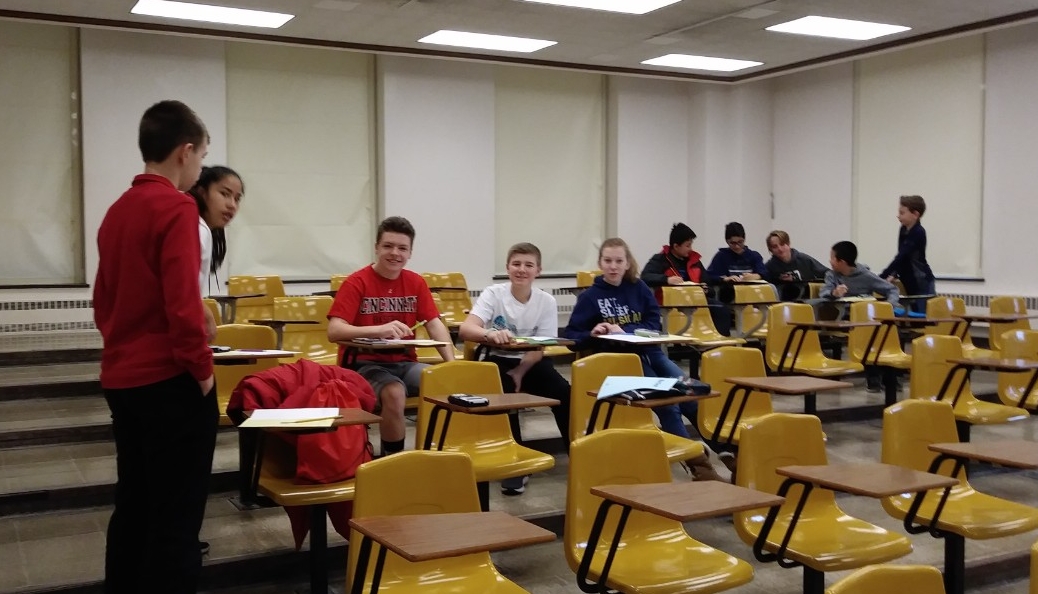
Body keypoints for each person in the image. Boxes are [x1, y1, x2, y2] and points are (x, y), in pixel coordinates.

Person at [93, 100, 216, 594]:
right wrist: (202, 372)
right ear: (185, 152)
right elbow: (183, 304)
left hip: (123, 378)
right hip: (170, 380)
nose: (201, 166)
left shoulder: (116, 210)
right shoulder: (176, 206)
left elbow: (102, 302)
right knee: (177, 519)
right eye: (203, 156)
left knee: (135, 507)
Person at [563, 237, 724, 481]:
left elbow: (653, 324)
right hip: (621, 361)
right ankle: (699, 467)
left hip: (650, 352)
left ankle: (725, 451)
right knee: (668, 404)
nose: (613, 266)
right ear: (600, 263)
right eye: (608, 261)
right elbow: (573, 337)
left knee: (690, 395)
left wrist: (625, 331)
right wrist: (593, 333)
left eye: (619, 261)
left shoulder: (638, 288)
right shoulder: (590, 297)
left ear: (628, 263)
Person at [327, 216, 455, 456]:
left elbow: (435, 324)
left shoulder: (416, 283)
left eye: (402, 248)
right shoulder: (356, 282)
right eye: (388, 246)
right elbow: (334, 331)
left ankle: (434, 454)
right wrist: (378, 329)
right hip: (363, 364)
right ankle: (393, 460)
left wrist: (453, 365)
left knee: (444, 382)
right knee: (394, 392)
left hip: (405, 363)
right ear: (376, 248)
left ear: (410, 253)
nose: (395, 253)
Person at [459, 242, 571, 496]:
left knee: (563, 390)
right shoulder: (493, 293)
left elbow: (541, 347)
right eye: (516, 264)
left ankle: (577, 451)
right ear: (508, 268)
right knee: (505, 392)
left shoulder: (546, 301)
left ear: (538, 271)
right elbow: (467, 329)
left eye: (528, 265)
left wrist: (520, 372)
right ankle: (515, 464)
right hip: (496, 358)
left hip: (529, 361)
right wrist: (489, 333)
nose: (522, 270)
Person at [822, 241, 900, 392]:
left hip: (868, 320)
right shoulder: (831, 275)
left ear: (841, 262)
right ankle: (873, 379)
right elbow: (823, 293)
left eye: (832, 258)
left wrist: (888, 306)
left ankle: (890, 378)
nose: (830, 261)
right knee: (868, 333)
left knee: (883, 332)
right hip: (844, 318)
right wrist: (834, 293)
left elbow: (892, 290)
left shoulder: (866, 276)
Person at [641, 222, 731, 336]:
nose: (690, 249)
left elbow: (709, 285)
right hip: (671, 303)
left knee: (721, 308)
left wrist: (706, 289)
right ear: (676, 246)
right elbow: (645, 276)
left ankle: (719, 341)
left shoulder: (695, 260)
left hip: (696, 300)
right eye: (687, 245)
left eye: (691, 245)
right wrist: (667, 280)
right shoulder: (660, 259)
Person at [189, 165, 244, 342]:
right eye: (225, 194)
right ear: (202, 192)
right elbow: (185, 293)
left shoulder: (201, 228)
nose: (232, 205)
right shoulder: (197, 228)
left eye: (237, 198)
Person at [880, 195, 935, 313]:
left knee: (922, 318)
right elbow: (902, 256)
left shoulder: (918, 232)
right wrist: (894, 274)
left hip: (922, 282)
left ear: (915, 214)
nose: (898, 216)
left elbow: (902, 256)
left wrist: (882, 276)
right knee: (911, 316)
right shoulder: (903, 229)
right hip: (908, 280)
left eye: (902, 213)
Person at [763, 230, 829, 300]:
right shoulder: (770, 266)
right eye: (775, 247)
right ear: (771, 250)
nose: (780, 249)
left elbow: (827, 274)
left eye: (782, 244)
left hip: (807, 298)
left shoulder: (804, 259)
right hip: (783, 301)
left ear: (788, 244)